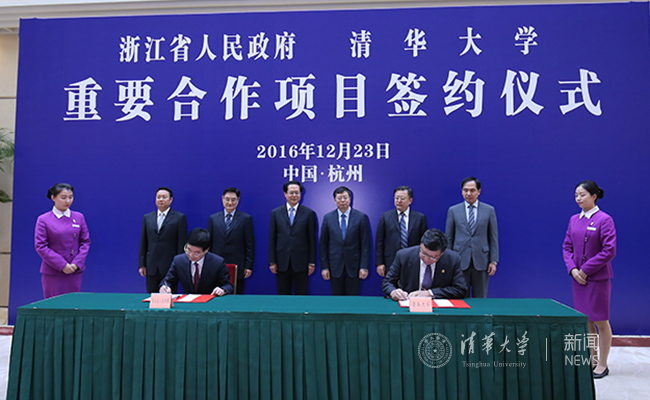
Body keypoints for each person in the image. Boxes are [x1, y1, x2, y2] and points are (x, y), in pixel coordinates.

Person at [563, 180, 616, 379]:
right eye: (576, 195)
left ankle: (602, 363)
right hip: (578, 280)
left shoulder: (604, 219)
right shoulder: (574, 219)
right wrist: (573, 270)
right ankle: (592, 359)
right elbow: (567, 247)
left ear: (594, 196)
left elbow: (609, 250)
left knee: (600, 320)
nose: (578, 198)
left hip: (597, 279)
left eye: (582, 195)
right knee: (586, 321)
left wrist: (585, 270)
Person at [445, 177, 499, 298]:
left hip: (481, 260)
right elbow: (449, 238)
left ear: (479, 191)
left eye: (472, 190)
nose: (468, 193)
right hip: (459, 260)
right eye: (465, 190)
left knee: (480, 297)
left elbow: (493, 237)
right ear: (462, 191)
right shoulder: (453, 210)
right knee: (460, 296)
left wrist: (493, 261)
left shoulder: (489, 210)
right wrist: (448, 260)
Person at [34, 183, 91, 298]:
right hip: (53, 271)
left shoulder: (79, 217)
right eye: (63, 198)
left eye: (70, 197)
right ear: (53, 198)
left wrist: (76, 264)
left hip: (74, 270)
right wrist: (62, 265)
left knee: (72, 302)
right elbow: (41, 246)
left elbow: (85, 242)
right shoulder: (44, 219)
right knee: (53, 304)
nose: (68, 201)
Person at [382, 228, 466, 300]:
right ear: (421, 245)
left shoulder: (452, 259)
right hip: (409, 303)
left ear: (441, 254)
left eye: (433, 257)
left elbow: (460, 289)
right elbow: (387, 282)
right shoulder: (404, 256)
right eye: (424, 253)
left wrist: (430, 293)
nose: (427, 259)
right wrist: (393, 291)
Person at [268, 181, 318, 295]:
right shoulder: (276, 213)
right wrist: (272, 261)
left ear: (301, 194)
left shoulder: (309, 213)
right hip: (281, 262)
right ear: (285, 194)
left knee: (301, 295)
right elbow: (272, 239)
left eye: (297, 193)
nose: (294, 195)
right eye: (291, 193)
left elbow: (312, 240)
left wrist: (311, 262)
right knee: (283, 296)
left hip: (301, 263)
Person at [320, 186, 371, 295]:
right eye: (339, 198)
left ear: (350, 199)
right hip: (335, 267)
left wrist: (364, 266)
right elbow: (323, 245)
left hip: (354, 267)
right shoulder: (328, 218)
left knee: (353, 299)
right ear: (335, 200)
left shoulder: (361, 217)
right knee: (337, 299)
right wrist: (324, 267)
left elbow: (365, 244)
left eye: (345, 197)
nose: (342, 200)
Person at [138, 187, 187, 293]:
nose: (161, 200)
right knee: (151, 295)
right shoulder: (147, 218)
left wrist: (179, 265)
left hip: (170, 265)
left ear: (171, 199)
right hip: (151, 265)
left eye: (164, 197)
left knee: (168, 295)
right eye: (158, 197)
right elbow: (143, 242)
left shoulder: (179, 218)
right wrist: (142, 264)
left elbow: (181, 244)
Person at [207, 187, 255, 294]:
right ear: (222, 199)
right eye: (227, 199)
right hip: (216, 264)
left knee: (236, 294)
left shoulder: (245, 219)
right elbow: (209, 244)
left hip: (237, 265)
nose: (230, 202)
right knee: (216, 294)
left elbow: (249, 244)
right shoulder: (213, 218)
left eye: (233, 200)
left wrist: (248, 266)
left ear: (238, 200)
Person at [160, 228, 233, 296]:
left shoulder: (217, 262)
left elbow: (228, 285)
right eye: (188, 250)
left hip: (209, 301)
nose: (191, 255)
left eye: (197, 253)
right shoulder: (179, 260)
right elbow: (167, 281)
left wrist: (222, 290)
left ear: (206, 250)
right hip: (188, 302)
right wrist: (164, 287)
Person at [375, 185, 428, 277]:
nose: (399, 201)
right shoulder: (385, 216)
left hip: (413, 261)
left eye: (402, 198)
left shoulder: (420, 218)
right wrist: (379, 263)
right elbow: (379, 241)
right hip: (391, 261)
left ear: (410, 201)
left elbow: (424, 241)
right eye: (396, 198)